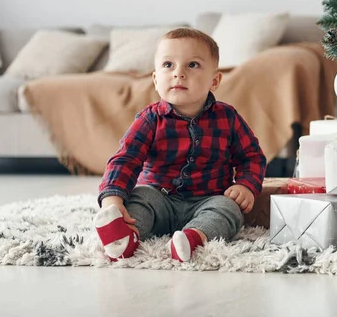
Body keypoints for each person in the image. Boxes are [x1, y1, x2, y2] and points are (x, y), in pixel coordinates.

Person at [93, 28, 266, 262]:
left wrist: (246, 185)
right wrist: (112, 198)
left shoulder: (228, 117)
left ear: (214, 80)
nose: (178, 74)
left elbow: (251, 157)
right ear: (155, 80)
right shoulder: (149, 119)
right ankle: (127, 237)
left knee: (228, 209)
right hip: (159, 198)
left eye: (192, 65)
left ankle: (194, 237)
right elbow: (126, 159)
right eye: (168, 65)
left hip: (208, 199)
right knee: (139, 198)